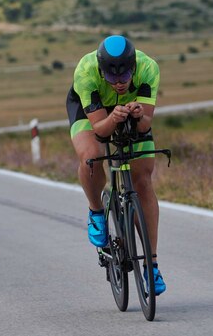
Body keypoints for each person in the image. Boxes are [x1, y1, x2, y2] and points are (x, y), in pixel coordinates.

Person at [66, 35, 166, 295]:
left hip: (130, 111)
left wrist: (137, 115)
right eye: (112, 78)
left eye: (124, 77)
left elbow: (145, 125)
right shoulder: (86, 72)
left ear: (133, 68)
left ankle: (151, 266)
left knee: (143, 179)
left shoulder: (148, 68)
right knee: (90, 157)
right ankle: (96, 211)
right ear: (101, 71)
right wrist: (113, 118)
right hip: (93, 114)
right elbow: (99, 130)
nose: (119, 83)